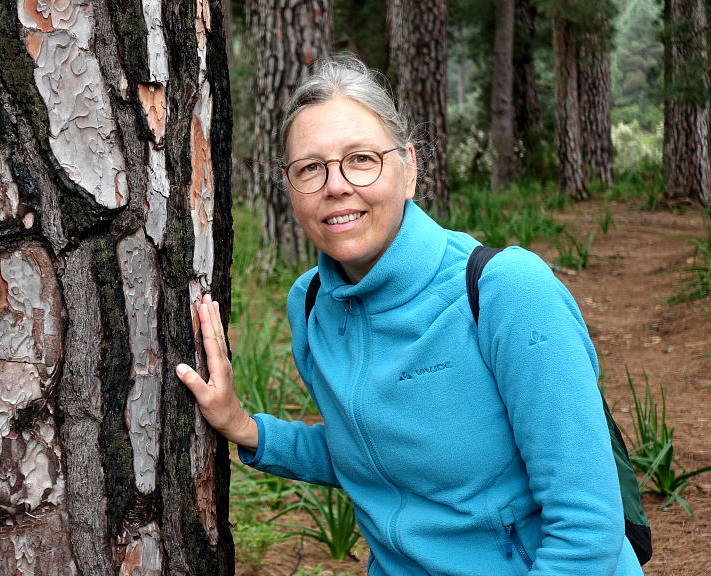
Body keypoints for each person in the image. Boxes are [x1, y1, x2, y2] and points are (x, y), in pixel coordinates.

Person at [174, 55, 644, 576]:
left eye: (361, 159)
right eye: (310, 168)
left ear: (410, 168)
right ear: (290, 188)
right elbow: (376, 460)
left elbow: (587, 528)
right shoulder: (311, 307)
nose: (335, 185)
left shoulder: (505, 293)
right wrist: (246, 428)